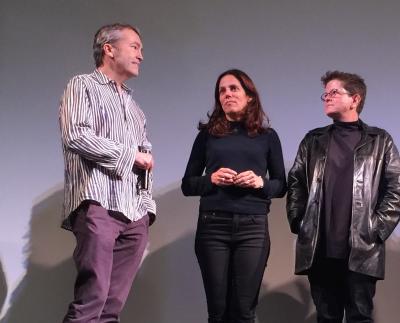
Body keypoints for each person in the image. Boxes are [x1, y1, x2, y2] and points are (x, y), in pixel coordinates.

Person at [59, 23, 156, 322]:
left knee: (111, 309)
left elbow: (145, 162)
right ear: (109, 49)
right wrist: (131, 156)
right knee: (92, 301)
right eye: (135, 46)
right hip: (98, 203)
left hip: (133, 214)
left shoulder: (136, 108)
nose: (141, 55)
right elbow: (75, 134)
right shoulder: (82, 85)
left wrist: (146, 211)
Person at [286, 70, 400, 323]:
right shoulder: (313, 140)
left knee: (360, 317)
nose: (327, 97)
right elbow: (295, 182)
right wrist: (298, 221)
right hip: (320, 248)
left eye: (334, 92)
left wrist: (376, 229)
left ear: (355, 99)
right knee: (327, 318)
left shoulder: (380, 141)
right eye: (325, 93)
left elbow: (396, 187)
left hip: (361, 248)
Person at [181, 69, 287, 323]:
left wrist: (260, 182)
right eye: (222, 91)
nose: (227, 94)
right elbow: (188, 185)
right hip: (213, 226)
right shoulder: (207, 136)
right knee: (218, 312)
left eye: (233, 88)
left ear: (249, 96)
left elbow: (281, 185)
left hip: (253, 227)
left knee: (243, 311)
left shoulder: (267, 137)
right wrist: (211, 179)